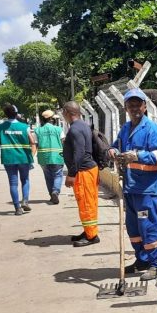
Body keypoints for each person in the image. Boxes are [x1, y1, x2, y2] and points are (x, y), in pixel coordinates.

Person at [107, 89, 157, 278]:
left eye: (138, 104)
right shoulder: (125, 128)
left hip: (146, 190)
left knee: (149, 226)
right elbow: (115, 145)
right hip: (130, 188)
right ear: (125, 108)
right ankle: (142, 259)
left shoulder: (151, 129)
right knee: (133, 227)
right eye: (131, 105)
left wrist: (137, 156)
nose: (135, 108)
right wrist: (112, 151)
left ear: (145, 106)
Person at [61, 101, 100, 247]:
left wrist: (71, 174)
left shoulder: (75, 129)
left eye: (63, 112)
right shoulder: (83, 125)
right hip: (88, 170)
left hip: (84, 172)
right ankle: (89, 230)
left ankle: (91, 236)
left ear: (67, 112)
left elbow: (79, 152)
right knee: (88, 203)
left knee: (86, 204)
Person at [0, 104, 37, 216]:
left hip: (8, 158)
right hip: (23, 157)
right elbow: (32, 142)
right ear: (16, 114)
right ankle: (25, 201)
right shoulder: (24, 126)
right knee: (25, 179)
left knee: (13, 183)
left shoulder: (0, 127)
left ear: (6, 114)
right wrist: (31, 155)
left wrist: (4, 141)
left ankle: (17, 208)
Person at [35, 110, 65, 204]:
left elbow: (35, 144)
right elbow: (63, 142)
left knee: (48, 177)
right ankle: (55, 191)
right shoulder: (58, 129)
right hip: (57, 156)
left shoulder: (38, 130)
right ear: (52, 119)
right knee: (58, 175)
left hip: (43, 157)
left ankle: (52, 196)